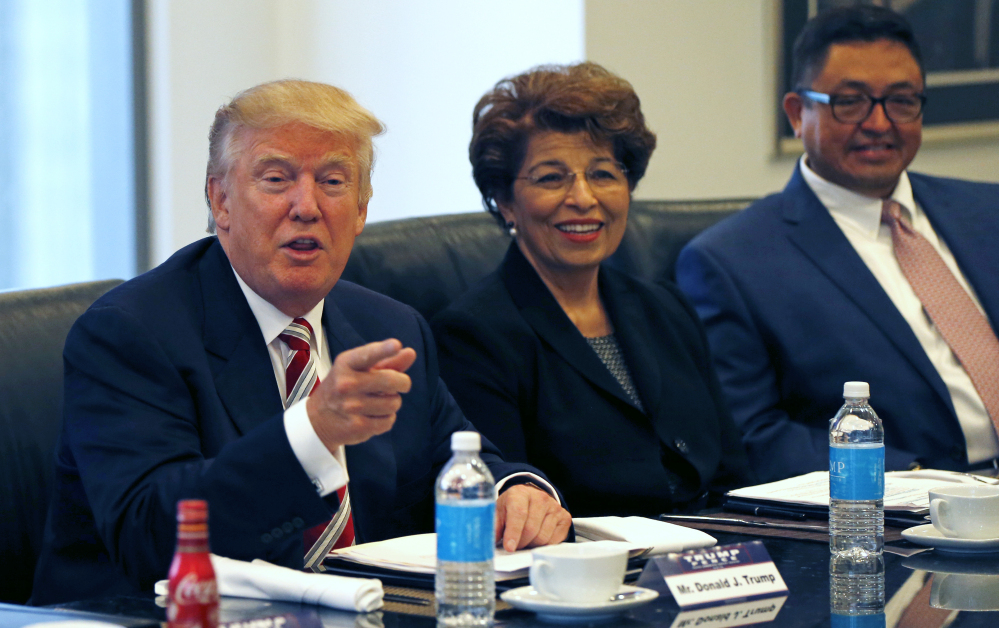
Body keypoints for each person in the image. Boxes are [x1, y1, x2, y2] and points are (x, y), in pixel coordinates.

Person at [31, 80, 570, 604]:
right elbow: (151, 537)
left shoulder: (391, 327)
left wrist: (514, 491)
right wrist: (310, 434)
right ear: (220, 200)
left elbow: (461, 455)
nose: (307, 206)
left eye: (334, 182)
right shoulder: (132, 332)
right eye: (275, 179)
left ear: (361, 209)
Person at [676, 6, 999, 483]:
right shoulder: (729, 262)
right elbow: (752, 435)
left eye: (902, 100)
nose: (879, 122)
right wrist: (913, 478)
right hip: (906, 512)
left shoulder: (987, 211)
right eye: (850, 102)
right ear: (796, 112)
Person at [431, 63, 752, 518]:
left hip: (706, 563)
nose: (583, 197)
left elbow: (731, 475)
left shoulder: (665, 308)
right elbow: (510, 502)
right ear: (505, 202)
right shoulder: (472, 335)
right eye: (551, 177)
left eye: (602, 173)